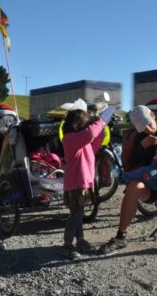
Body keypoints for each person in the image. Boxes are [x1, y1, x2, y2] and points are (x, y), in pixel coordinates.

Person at [99, 104, 157, 256]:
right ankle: (120, 237)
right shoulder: (140, 136)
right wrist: (142, 147)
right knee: (133, 186)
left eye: (150, 124)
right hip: (153, 184)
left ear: (154, 117)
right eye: (143, 128)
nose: (148, 129)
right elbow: (134, 164)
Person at [61, 98, 115, 259]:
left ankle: (81, 240)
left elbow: (93, 142)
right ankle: (67, 245)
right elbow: (91, 133)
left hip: (82, 183)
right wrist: (102, 120)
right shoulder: (70, 139)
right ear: (78, 124)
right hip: (76, 184)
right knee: (76, 215)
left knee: (78, 213)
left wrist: (102, 131)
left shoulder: (79, 141)